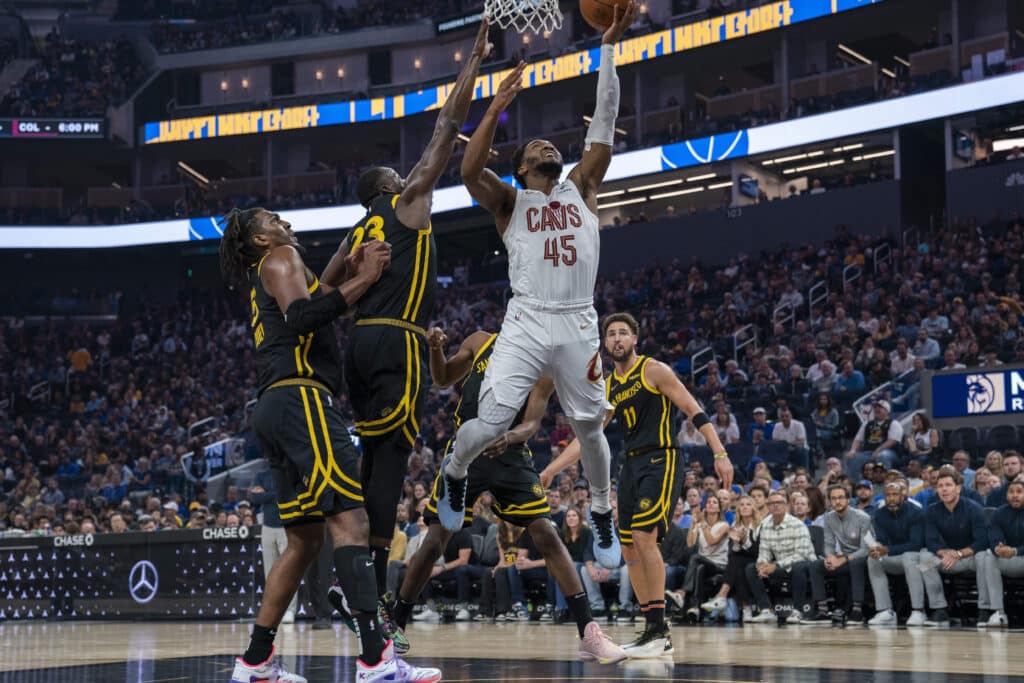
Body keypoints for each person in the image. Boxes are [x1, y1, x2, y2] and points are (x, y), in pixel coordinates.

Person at [438, 2, 642, 571]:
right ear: (522, 169)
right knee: (489, 423)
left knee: (590, 427)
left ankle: (601, 509)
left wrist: (606, 48)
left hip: (578, 319)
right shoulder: (510, 203)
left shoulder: (581, 184)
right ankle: (455, 474)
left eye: (552, 148)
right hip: (525, 320)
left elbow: (603, 122)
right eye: (535, 151)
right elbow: (467, 170)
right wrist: (496, 107)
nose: (547, 148)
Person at [218, 209, 438, 682]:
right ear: (260, 237)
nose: (281, 219)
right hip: (302, 399)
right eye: (270, 218)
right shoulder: (281, 255)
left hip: (274, 408)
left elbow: (319, 291)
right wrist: (368, 276)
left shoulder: (277, 267)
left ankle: (255, 662)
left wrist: (348, 265)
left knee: (302, 541)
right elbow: (303, 317)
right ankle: (376, 660)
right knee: (351, 521)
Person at [319, 20, 494, 605]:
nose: (409, 176)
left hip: (359, 346)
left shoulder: (355, 232)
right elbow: (447, 127)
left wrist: (361, 285)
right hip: (397, 342)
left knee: (372, 455)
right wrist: (473, 62)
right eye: (398, 176)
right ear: (388, 185)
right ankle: (366, 582)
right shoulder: (404, 204)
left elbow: (323, 289)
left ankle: (352, 573)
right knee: (391, 462)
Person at [388, 328, 625, 663]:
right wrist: (435, 350)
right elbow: (441, 379)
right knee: (435, 539)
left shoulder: (544, 362)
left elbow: (532, 422)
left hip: (511, 453)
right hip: (467, 451)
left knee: (546, 531)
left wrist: (512, 436)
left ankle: (589, 632)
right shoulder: (479, 340)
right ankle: (396, 622)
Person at [542, 312, 733, 657]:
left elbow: (693, 408)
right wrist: (553, 468)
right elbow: (588, 437)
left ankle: (660, 631)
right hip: (629, 465)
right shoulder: (609, 386)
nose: (617, 338)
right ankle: (651, 631)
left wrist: (719, 452)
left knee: (645, 537)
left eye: (623, 333)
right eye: (611, 334)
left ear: (635, 339)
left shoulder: (654, 370)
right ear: (605, 343)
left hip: (661, 457)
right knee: (628, 547)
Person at [919, 467, 995, 627]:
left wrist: (959, 554)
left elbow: (981, 541)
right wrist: (945, 552)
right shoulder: (932, 510)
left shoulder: (974, 508)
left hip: (969, 557)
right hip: (945, 558)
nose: (944, 489)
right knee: (924, 560)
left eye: (948, 485)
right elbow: (930, 541)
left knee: (985, 557)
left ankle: (984, 609)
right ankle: (939, 609)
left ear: (958, 488)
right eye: (940, 486)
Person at [745, 491, 827, 623]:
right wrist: (762, 564)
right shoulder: (765, 525)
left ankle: (797, 610)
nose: (775, 506)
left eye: (779, 503)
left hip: (804, 564)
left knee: (798, 567)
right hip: (780, 566)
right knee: (751, 568)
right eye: (772, 503)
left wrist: (775, 565)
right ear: (768, 507)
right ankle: (766, 610)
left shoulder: (797, 525)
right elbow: (764, 550)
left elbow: (802, 554)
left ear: (786, 506)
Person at [867, 481, 937, 627]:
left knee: (909, 556)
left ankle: (918, 610)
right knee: (872, 559)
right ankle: (885, 611)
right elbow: (881, 540)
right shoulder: (879, 514)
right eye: (888, 495)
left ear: (903, 496)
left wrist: (888, 549)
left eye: (895, 495)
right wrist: (877, 548)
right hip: (894, 556)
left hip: (919, 558)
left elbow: (916, 544)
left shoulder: (916, 513)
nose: (891, 498)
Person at [811, 485, 872, 623]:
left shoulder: (863, 518)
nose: (837, 501)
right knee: (816, 565)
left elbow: (865, 549)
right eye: (833, 498)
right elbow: (828, 544)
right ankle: (823, 610)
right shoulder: (829, 518)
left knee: (855, 563)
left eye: (840, 497)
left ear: (848, 500)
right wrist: (830, 556)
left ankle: (857, 610)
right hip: (843, 557)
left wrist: (843, 559)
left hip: (864, 558)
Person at [700, 495, 764, 620]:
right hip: (741, 561)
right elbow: (733, 551)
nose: (745, 507)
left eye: (748, 504)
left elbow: (758, 550)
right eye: (742, 505)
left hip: (759, 559)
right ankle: (745, 609)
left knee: (737, 560)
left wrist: (743, 541)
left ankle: (723, 597)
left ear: (753, 509)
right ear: (738, 509)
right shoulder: (736, 524)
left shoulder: (760, 525)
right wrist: (735, 542)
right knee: (737, 564)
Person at [983, 480, 1024, 627]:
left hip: (1018, 554)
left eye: (1019, 492)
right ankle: (998, 612)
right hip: (1010, 559)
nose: (1015, 495)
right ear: (1006, 495)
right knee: (989, 556)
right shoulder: (999, 513)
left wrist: (1015, 550)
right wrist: (998, 548)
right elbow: (994, 536)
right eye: (1011, 492)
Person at [845, 401, 902, 479]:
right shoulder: (867, 424)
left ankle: (884, 481)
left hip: (890, 453)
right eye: (875, 407)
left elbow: (893, 441)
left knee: (882, 456)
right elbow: (858, 439)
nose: (876, 409)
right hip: (868, 453)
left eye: (880, 407)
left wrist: (878, 450)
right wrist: (853, 450)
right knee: (851, 458)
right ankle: (857, 484)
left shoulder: (894, 423)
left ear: (887, 411)